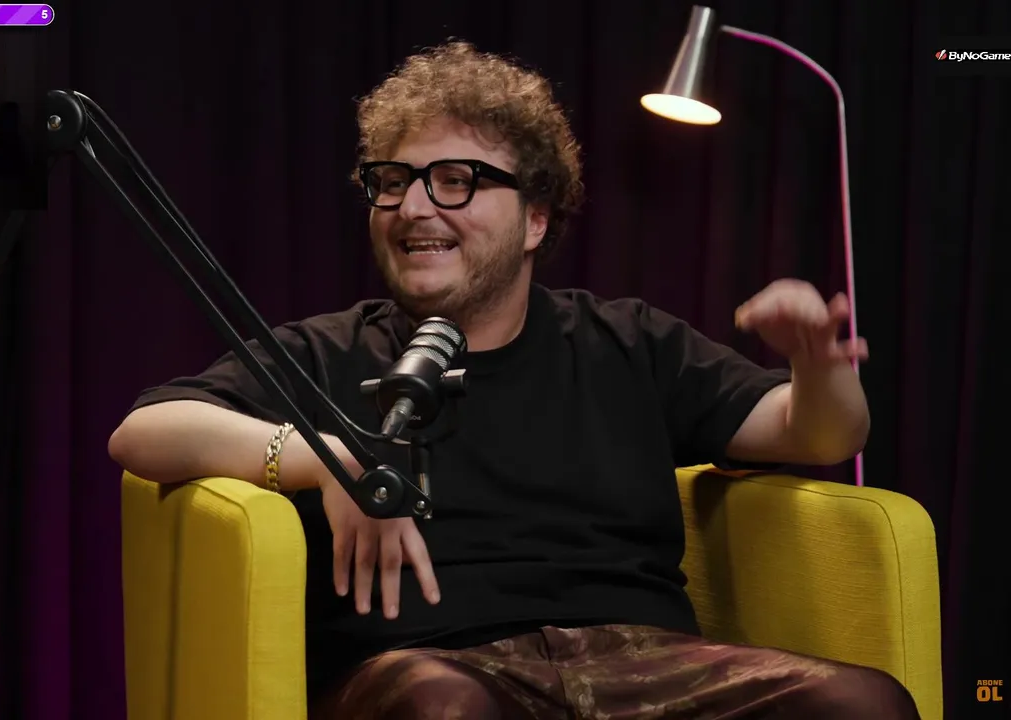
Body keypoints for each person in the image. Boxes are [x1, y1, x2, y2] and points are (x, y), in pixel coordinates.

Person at [108, 42, 919, 719]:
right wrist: (333, 459)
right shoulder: (326, 353)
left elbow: (816, 433)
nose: (413, 208)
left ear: (536, 217)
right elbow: (145, 431)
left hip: (642, 667)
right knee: (444, 707)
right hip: (431, 671)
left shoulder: (626, 341)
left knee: (862, 702)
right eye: (391, 181)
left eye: (454, 180)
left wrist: (817, 366)